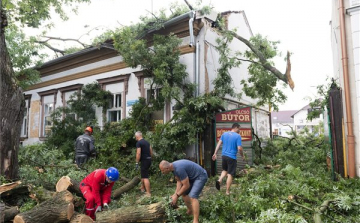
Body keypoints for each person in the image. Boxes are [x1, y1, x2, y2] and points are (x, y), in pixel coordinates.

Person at [212, 123, 244, 195]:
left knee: (225, 170)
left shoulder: (224, 134)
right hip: (231, 157)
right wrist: (242, 156)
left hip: (224, 156)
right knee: (230, 174)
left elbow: (219, 144)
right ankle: (227, 191)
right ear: (235, 128)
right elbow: (239, 148)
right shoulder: (238, 136)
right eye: (239, 129)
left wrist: (215, 153)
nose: (239, 130)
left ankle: (219, 180)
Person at [135, 131, 153, 196]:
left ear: (137, 136)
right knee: (143, 174)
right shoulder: (147, 142)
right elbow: (151, 151)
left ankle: (148, 193)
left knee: (145, 177)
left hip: (144, 161)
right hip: (148, 160)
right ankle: (142, 187)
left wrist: (137, 162)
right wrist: (150, 158)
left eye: (136, 137)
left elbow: (138, 153)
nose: (135, 138)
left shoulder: (138, 143)